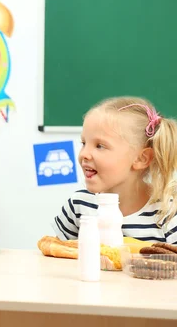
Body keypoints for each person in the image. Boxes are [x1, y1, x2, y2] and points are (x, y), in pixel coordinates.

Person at [53, 96, 177, 244]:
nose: (84, 154)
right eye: (84, 143)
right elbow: (59, 260)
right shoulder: (79, 205)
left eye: (100, 146)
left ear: (141, 159)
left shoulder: (168, 214)